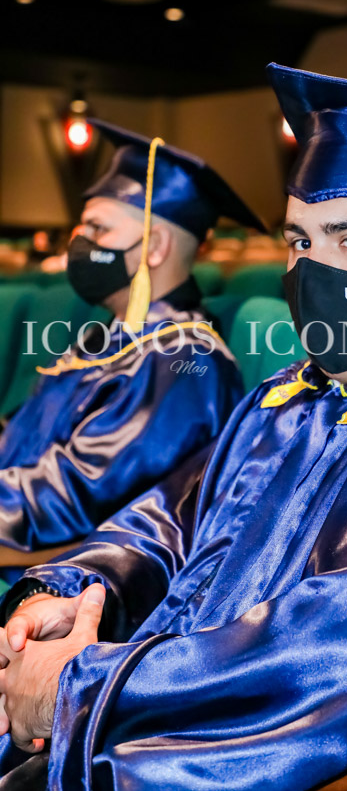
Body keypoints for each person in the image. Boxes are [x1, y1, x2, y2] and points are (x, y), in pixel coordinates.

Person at [0, 66, 347, 791]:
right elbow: (164, 526)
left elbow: (335, 650)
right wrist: (70, 595)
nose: (315, 268)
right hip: (165, 720)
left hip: (271, 763)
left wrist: (84, 683)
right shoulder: (288, 397)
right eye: (300, 241)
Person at [0, 120, 265, 585]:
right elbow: (25, 432)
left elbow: (77, 491)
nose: (79, 245)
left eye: (98, 230)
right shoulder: (110, 336)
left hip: (70, 573)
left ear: (156, 247)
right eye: (81, 228)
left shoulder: (185, 359)